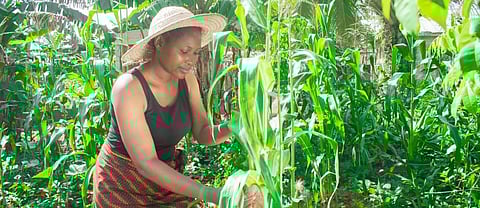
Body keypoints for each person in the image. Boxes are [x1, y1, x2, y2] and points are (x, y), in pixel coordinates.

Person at [92, 6, 233, 207]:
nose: (191, 61)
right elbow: (146, 163)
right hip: (122, 185)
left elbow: (202, 133)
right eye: (184, 51)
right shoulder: (129, 88)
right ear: (159, 43)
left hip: (165, 181)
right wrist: (210, 194)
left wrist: (232, 127)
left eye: (196, 53)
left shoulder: (188, 81)